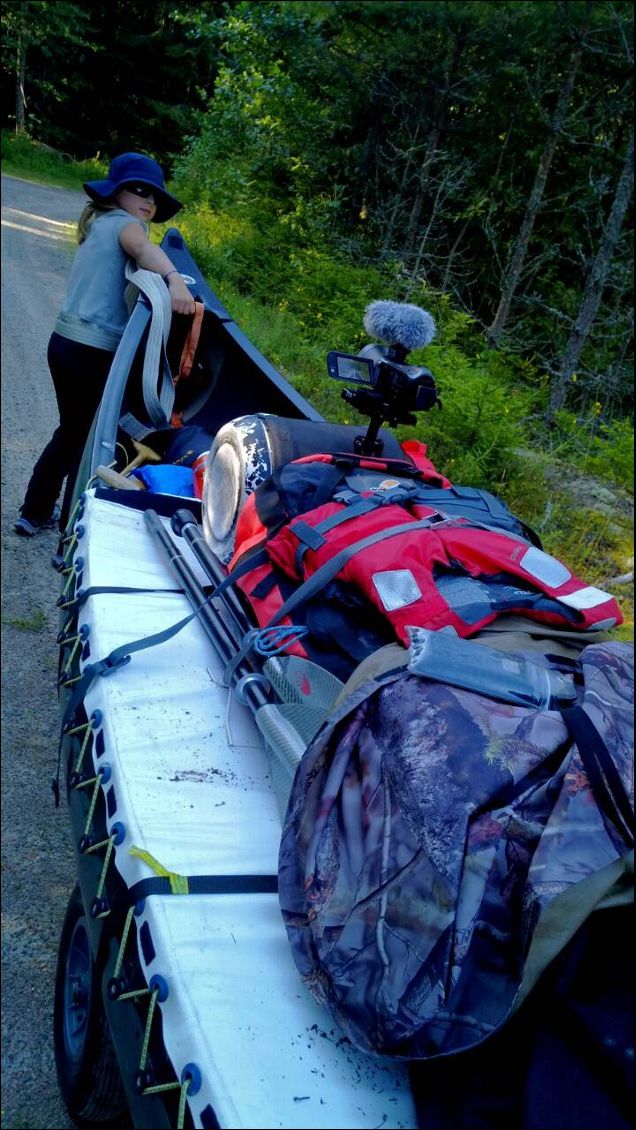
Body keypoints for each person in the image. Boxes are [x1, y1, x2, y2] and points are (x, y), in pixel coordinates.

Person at [14, 151, 196, 536]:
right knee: (87, 438)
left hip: (64, 342)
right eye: (140, 191)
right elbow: (145, 252)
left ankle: (34, 510)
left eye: (155, 197)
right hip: (91, 350)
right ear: (116, 194)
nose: (149, 202)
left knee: (71, 430)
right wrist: (175, 280)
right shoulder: (127, 226)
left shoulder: (98, 224)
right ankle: (68, 527)